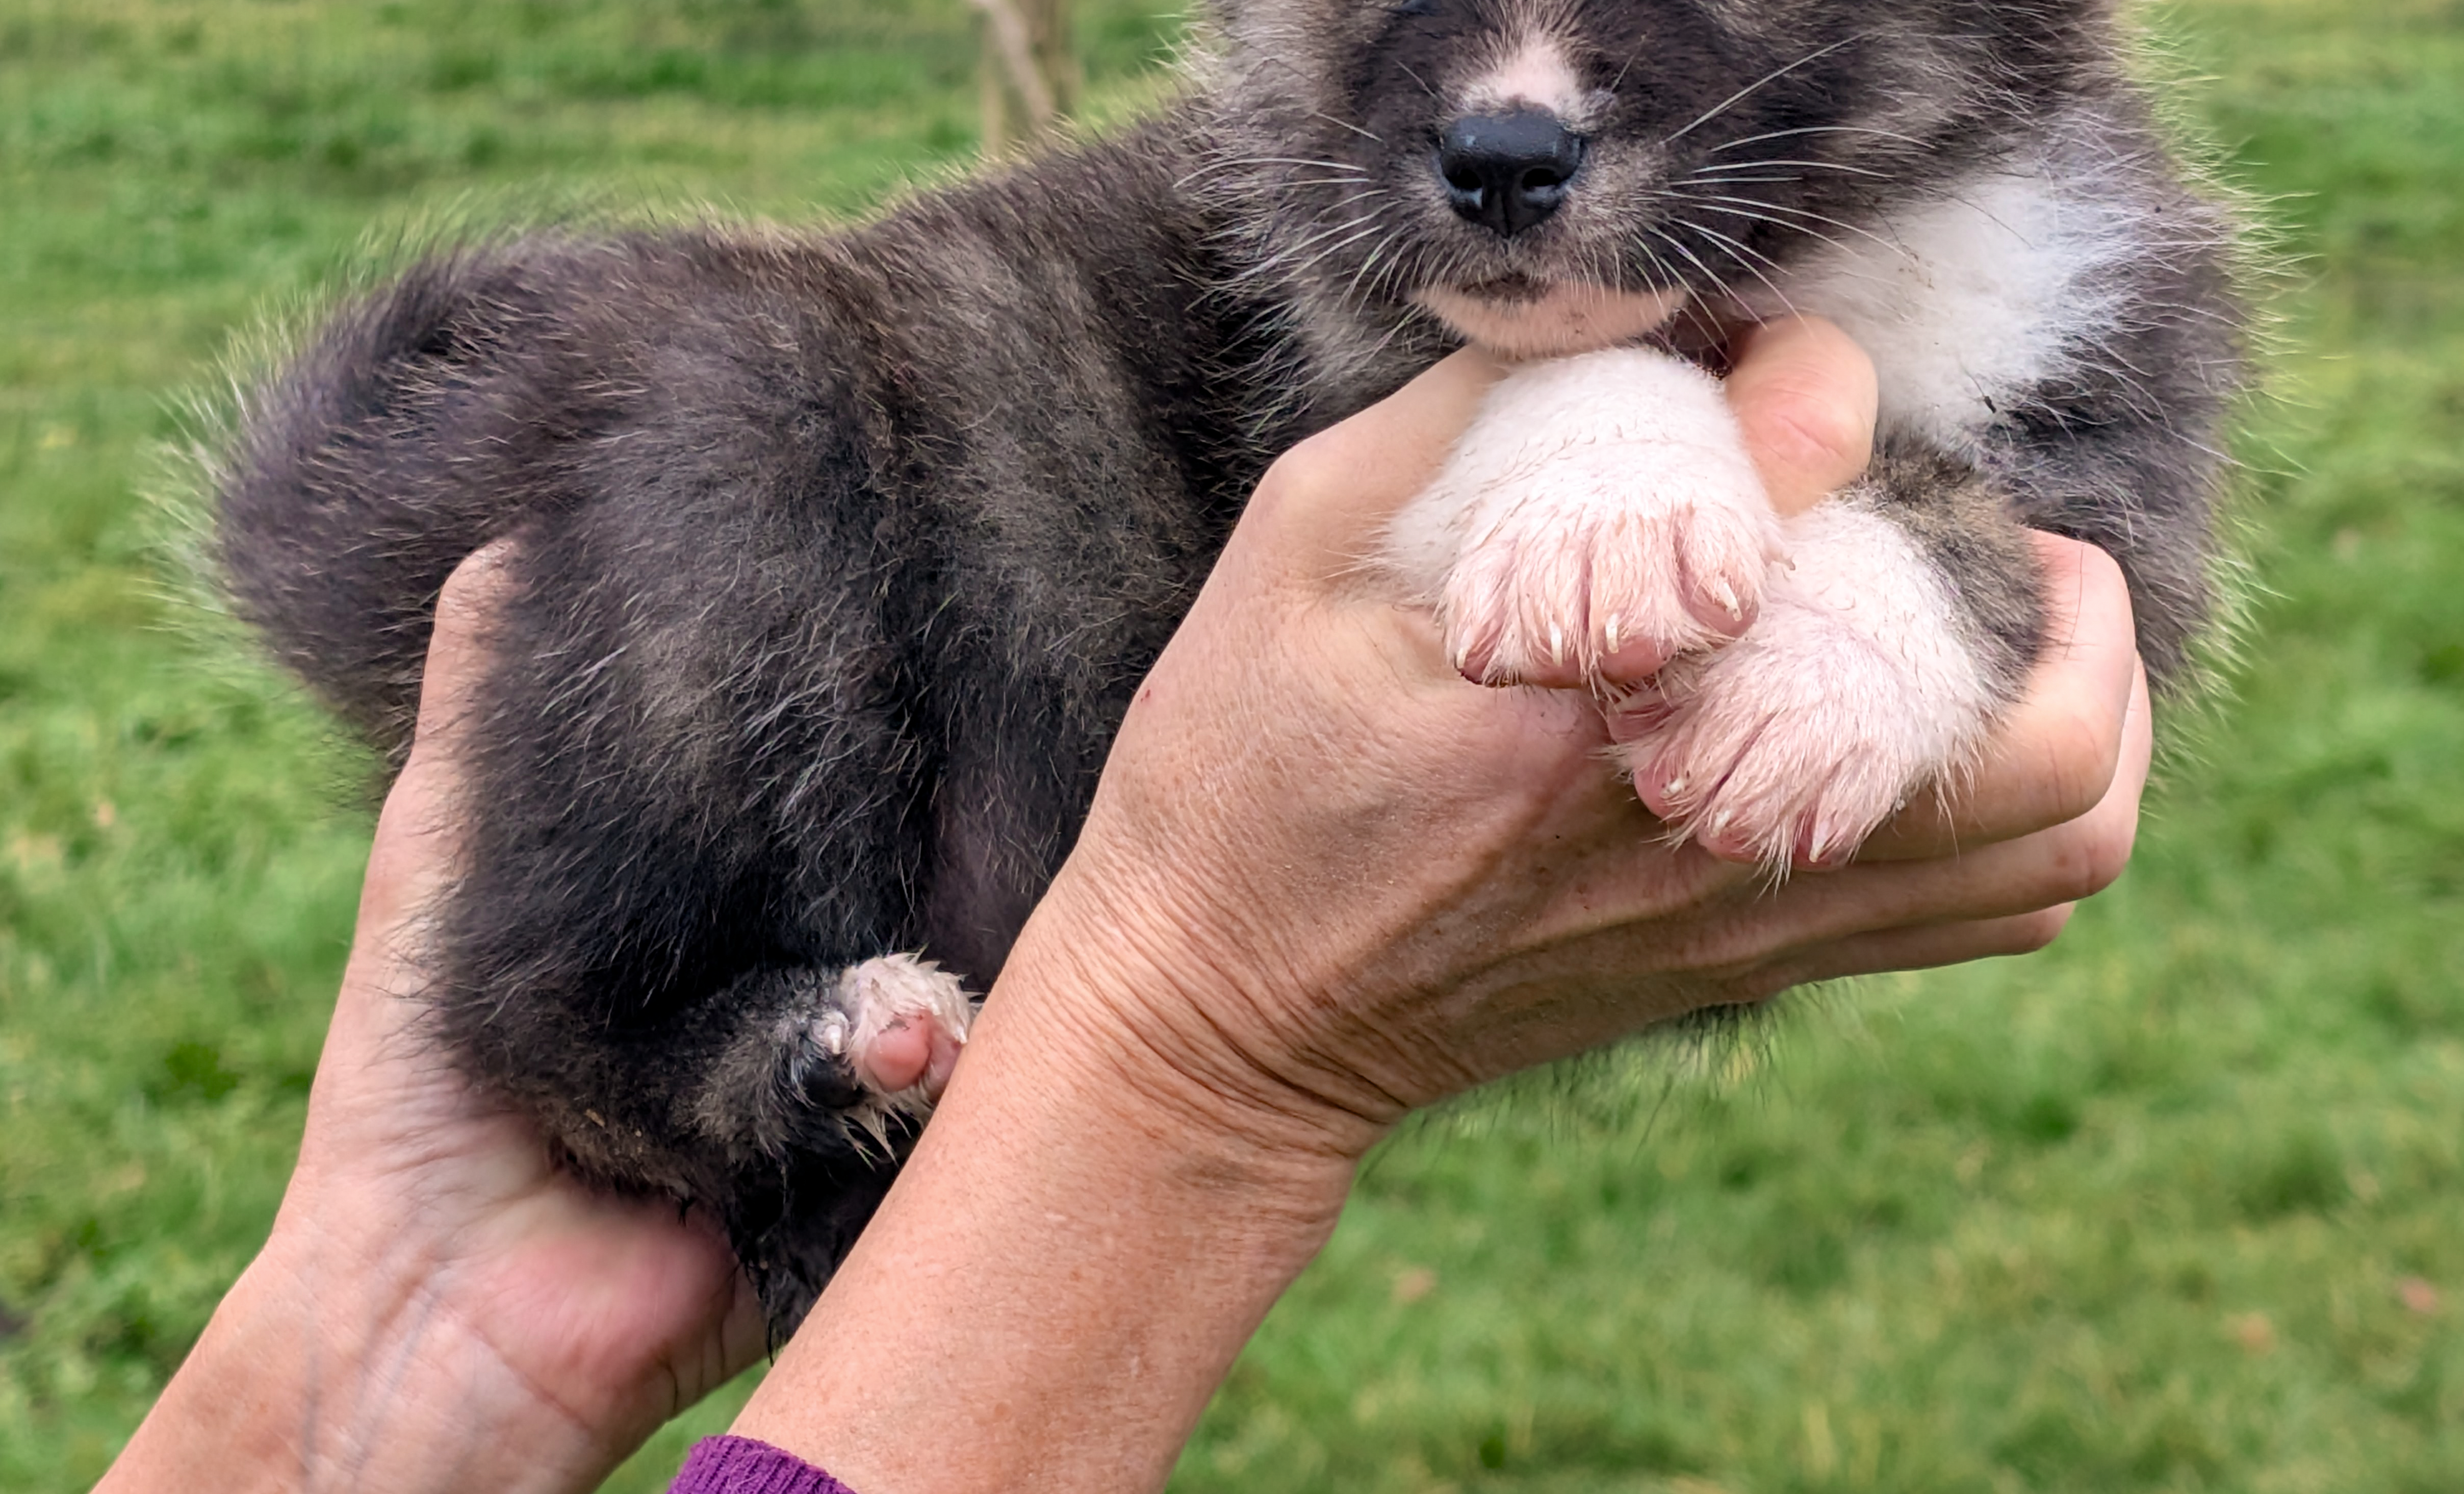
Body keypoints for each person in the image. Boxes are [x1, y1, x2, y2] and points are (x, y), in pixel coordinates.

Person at [98, 321, 2149, 1494]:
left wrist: (391, 1348)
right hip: (779, 611)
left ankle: (749, 1096)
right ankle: (678, 1059)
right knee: (730, 440)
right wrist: (1202, 1057)